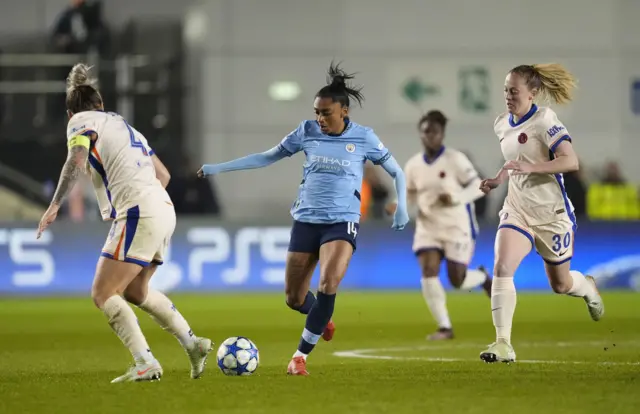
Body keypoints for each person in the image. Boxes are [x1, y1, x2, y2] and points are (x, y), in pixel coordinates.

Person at [198, 62, 410, 376]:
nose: (319, 118)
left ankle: (299, 357)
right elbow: (268, 156)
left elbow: (396, 171)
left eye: (326, 112)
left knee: (328, 283)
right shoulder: (306, 131)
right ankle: (320, 317)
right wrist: (219, 168)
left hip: (343, 220)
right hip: (306, 220)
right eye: (316, 112)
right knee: (294, 297)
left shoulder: (364, 138)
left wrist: (401, 204)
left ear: (344, 111)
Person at [37, 63, 212, 383]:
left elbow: (76, 160)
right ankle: (193, 343)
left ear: (69, 113)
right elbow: (165, 175)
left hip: (138, 210)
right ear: (101, 105)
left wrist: (54, 204)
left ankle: (145, 361)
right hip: (164, 208)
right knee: (135, 290)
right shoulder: (123, 125)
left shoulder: (79, 122)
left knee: (103, 292)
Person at [479, 63, 604, 363]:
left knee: (560, 285)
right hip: (517, 209)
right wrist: (499, 179)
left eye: (514, 91)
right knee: (502, 267)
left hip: (551, 213)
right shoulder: (501, 124)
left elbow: (570, 161)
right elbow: (514, 162)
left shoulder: (545, 120)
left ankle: (587, 287)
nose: (508, 96)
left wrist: (532, 167)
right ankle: (503, 344)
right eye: (506, 90)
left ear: (532, 93)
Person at [386, 110, 491, 341]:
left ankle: (483, 278)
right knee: (428, 271)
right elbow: (410, 193)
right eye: (425, 132)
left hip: (456, 226)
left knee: (457, 280)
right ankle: (445, 327)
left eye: (434, 132)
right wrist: (397, 204)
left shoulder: (455, 160)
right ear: (420, 134)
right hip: (428, 227)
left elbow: (478, 186)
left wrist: (455, 198)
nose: (429, 137)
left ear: (442, 134)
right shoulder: (414, 165)